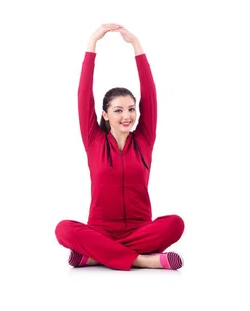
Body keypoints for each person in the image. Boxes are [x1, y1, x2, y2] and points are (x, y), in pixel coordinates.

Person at [55, 24, 185, 271]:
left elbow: (150, 94)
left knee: (175, 224)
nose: (127, 116)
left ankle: (96, 256)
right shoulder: (94, 140)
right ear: (104, 115)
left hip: (140, 229)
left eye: (131, 109)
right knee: (62, 229)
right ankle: (142, 259)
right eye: (118, 110)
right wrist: (92, 43)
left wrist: (137, 45)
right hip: (100, 229)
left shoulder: (144, 139)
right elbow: (84, 94)